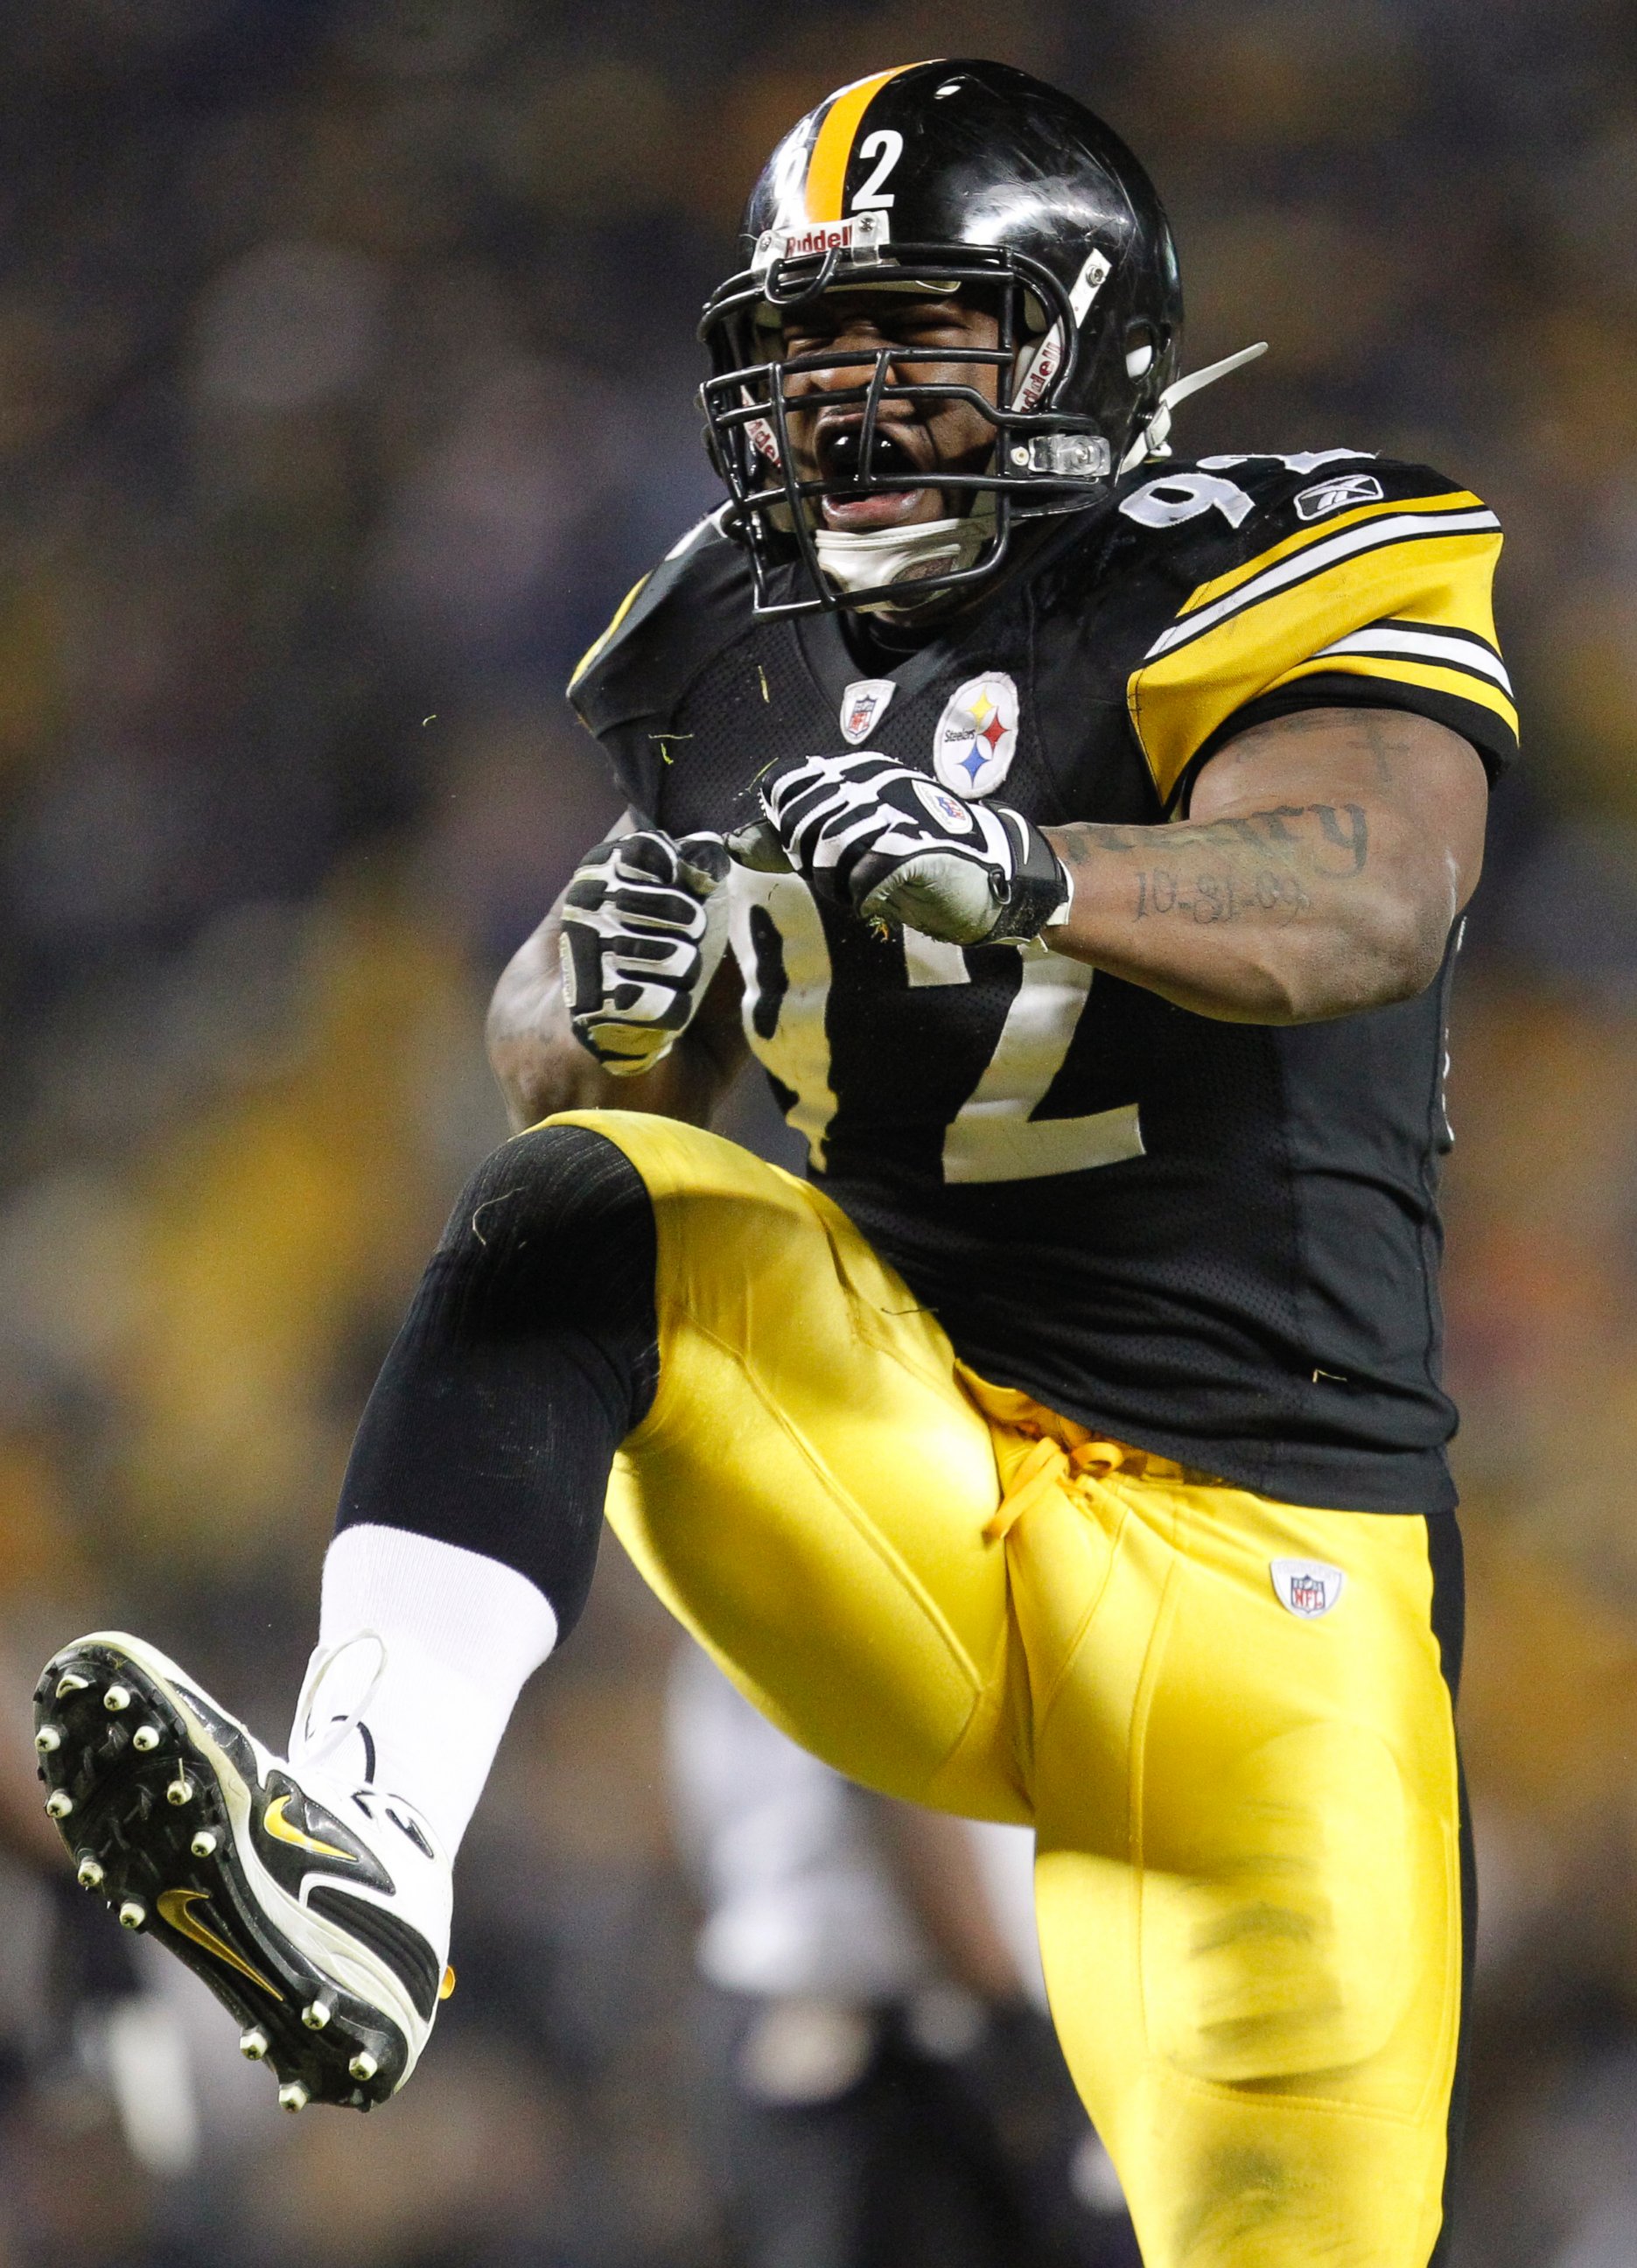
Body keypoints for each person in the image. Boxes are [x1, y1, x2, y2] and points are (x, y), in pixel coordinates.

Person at [34, 58, 1515, 2268]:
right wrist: (590, 980)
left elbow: (1365, 896)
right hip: (911, 1483)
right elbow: (575, 1061)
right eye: (799, 354)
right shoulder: (732, 644)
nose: (838, 413)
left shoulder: (1277, 551)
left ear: (1077, 339)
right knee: (584, 1202)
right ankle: (359, 1847)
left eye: (906, 347)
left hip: (1264, 1584)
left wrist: (1021, 870)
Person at [668, 1641, 1138, 2268]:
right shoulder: (860, 1571)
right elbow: (904, 1804)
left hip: (798, 2025)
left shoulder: (715, 1610)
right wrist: (1010, 2023)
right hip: (887, 2051)